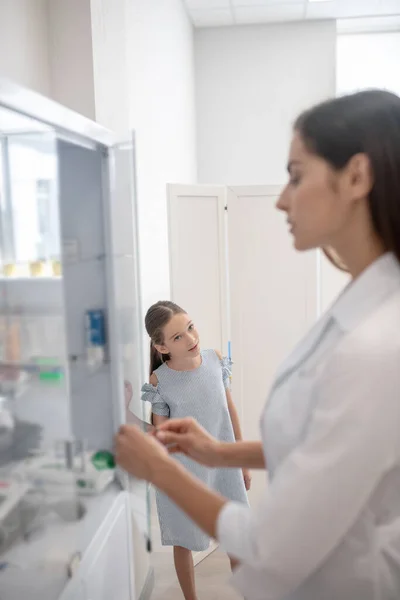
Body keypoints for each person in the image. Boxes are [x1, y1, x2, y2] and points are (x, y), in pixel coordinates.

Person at [115, 89, 400, 600]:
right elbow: (329, 448)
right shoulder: (360, 304)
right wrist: (217, 451)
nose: (280, 198)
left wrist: (159, 467)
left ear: (356, 176)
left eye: (296, 175)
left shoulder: (377, 345)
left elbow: (274, 548)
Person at [140, 301, 250, 600]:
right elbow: (162, 435)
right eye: (178, 337)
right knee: (184, 540)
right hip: (184, 471)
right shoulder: (160, 381)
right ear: (162, 347)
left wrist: (243, 461)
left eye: (190, 327)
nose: (191, 338)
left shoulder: (215, 360)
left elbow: (230, 411)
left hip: (225, 464)